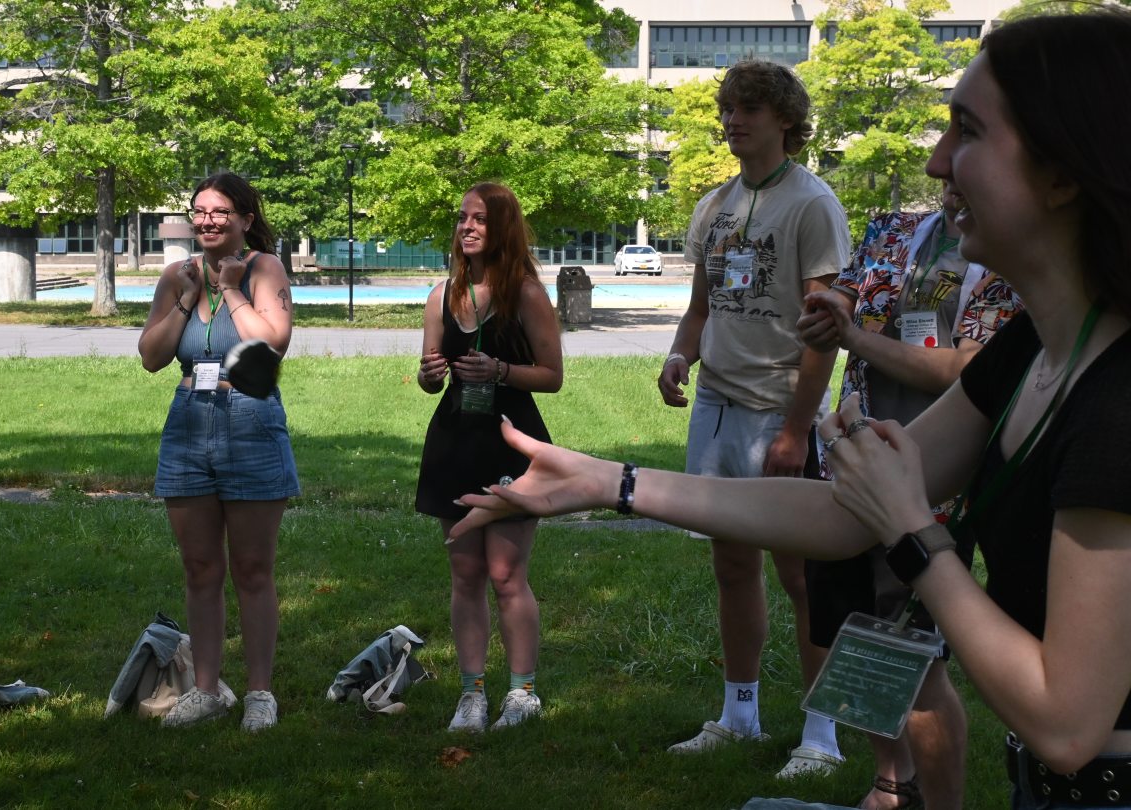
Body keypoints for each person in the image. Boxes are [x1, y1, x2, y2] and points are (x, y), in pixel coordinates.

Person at [453, 11, 1131, 808]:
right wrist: (608, 481)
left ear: (1063, 173)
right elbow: (843, 516)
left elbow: (1067, 720)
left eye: (968, 132)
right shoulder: (1034, 351)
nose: (936, 159)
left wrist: (911, 530)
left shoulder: (1117, 401)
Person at [796, 183, 1023, 810]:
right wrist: (822, 317)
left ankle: (941, 802)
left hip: (939, 474)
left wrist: (854, 339)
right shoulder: (893, 230)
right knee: (857, 633)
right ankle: (891, 782)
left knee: (916, 654)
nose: (950, 175)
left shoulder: (1008, 254)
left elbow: (971, 369)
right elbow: (842, 302)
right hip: (858, 453)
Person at [658, 58, 850, 777]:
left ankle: (821, 735)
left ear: (785, 122)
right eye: (729, 108)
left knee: (800, 575)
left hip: (780, 407)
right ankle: (739, 716)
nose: (733, 120)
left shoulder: (811, 204)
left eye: (750, 109)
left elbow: (822, 331)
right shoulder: (714, 205)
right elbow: (701, 310)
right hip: (717, 406)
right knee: (731, 563)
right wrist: (681, 356)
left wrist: (798, 429)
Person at [137, 172, 297, 732]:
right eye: (199, 210)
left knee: (253, 568)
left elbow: (271, 343)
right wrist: (184, 300)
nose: (207, 220)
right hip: (186, 424)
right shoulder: (175, 276)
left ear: (245, 220)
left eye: (220, 211)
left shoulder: (264, 270)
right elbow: (151, 356)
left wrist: (229, 288)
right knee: (200, 568)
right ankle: (206, 689)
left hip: (249, 419)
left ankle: (258, 692)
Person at [414, 181, 563, 732]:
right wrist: (431, 375)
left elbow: (552, 377)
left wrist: (499, 371)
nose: (467, 227)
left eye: (479, 219)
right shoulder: (441, 297)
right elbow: (432, 376)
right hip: (455, 441)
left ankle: (522, 692)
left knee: (506, 573)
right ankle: (471, 693)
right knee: (464, 572)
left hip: (512, 441)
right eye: (462, 219)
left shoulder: (524, 293)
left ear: (502, 228)